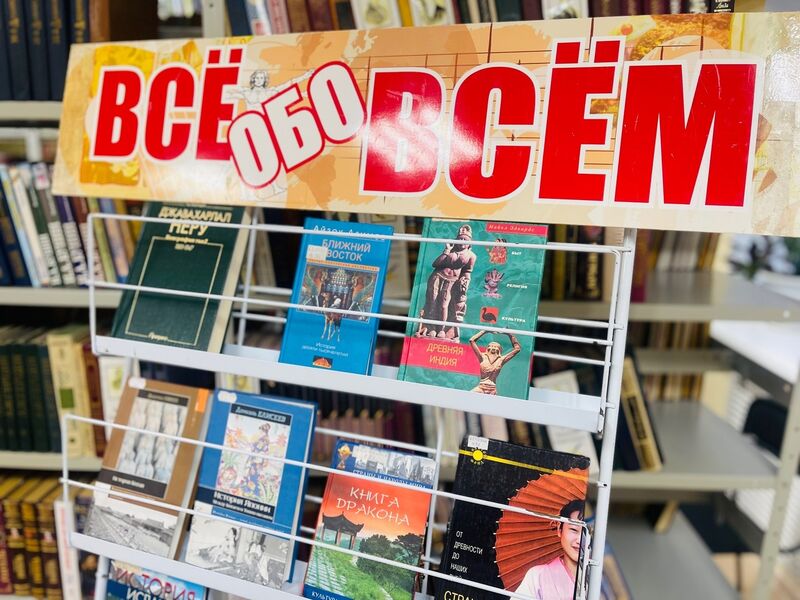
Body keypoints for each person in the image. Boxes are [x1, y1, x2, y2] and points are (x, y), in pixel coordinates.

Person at [512, 499, 584, 600]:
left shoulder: (603, 581)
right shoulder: (537, 576)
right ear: (559, 529)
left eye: (587, 533)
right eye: (574, 530)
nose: (580, 540)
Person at [417, 224, 476, 339]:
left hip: (452, 282)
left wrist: (465, 282)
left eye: (465, 240)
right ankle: (431, 328)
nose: (462, 241)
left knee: (444, 305)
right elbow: (436, 264)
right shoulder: (450, 250)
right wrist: (447, 251)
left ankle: (441, 329)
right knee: (432, 302)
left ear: (470, 243)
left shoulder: (471, 256)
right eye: (460, 239)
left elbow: (467, 271)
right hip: (437, 277)